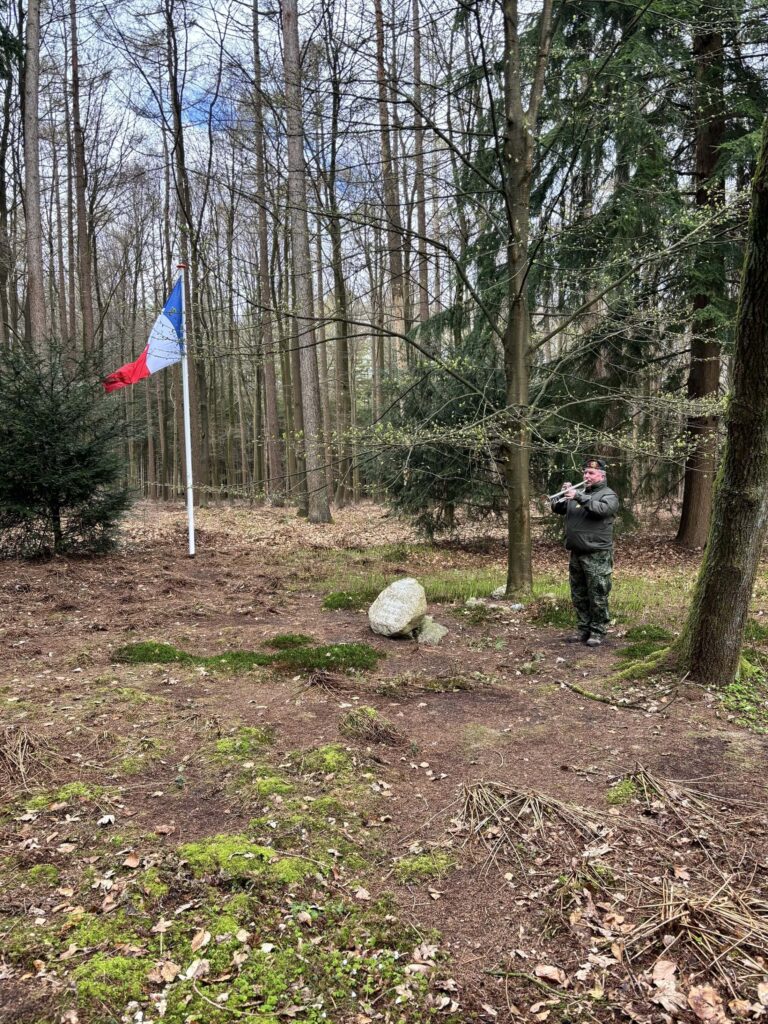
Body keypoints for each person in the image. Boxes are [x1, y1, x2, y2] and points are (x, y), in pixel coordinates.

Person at [550, 457, 619, 647]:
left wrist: (579, 496)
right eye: (585, 472)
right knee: (579, 593)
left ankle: (598, 631)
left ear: (601, 475)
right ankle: (583, 628)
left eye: (591, 473)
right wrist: (562, 495)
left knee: (597, 594)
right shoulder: (578, 493)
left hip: (597, 553)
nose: (586, 476)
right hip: (576, 552)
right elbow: (559, 508)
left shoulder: (608, 495)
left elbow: (602, 510)